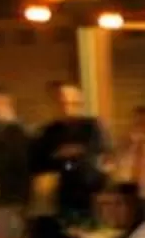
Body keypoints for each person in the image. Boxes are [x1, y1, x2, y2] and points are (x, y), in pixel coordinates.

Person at [35, 82, 112, 220]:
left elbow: (99, 150)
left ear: (79, 103)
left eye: (72, 103)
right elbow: (42, 161)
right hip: (63, 193)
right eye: (63, 102)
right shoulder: (50, 131)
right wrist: (69, 154)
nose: (67, 107)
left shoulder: (91, 126)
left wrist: (66, 154)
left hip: (91, 191)